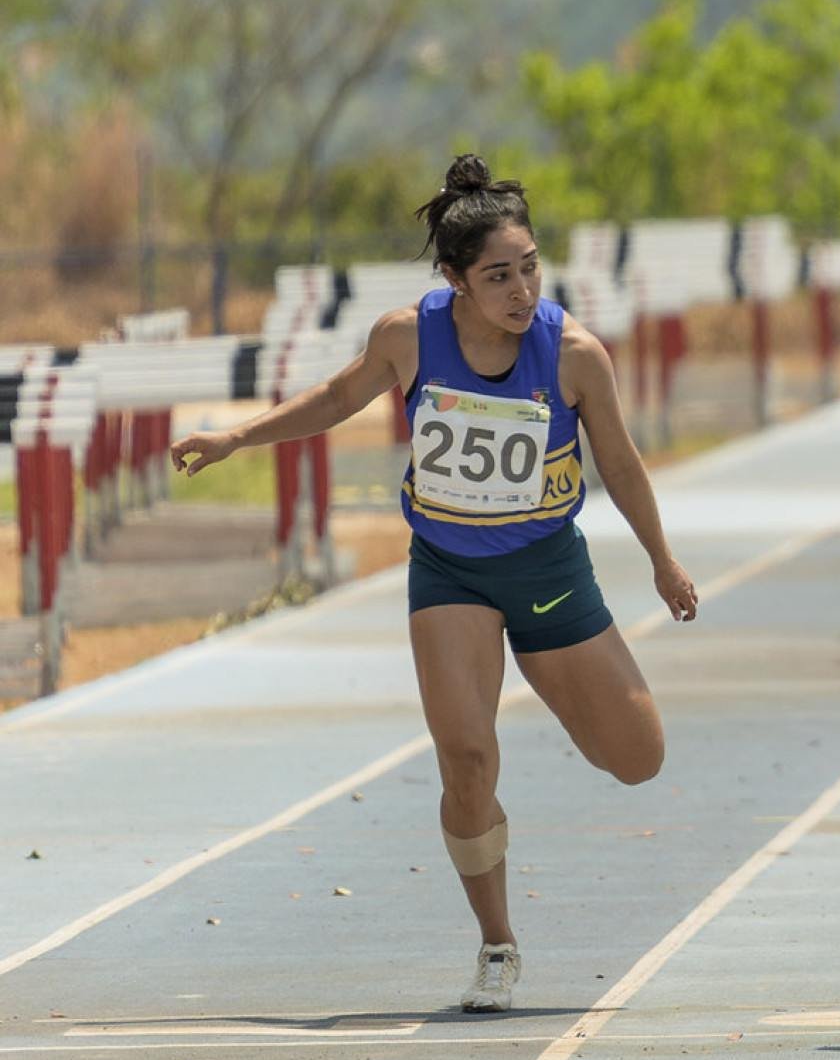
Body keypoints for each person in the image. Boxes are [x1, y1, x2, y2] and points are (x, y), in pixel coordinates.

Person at [172, 156, 695, 1013]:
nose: (520, 290)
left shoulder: (573, 355)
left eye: (530, 268)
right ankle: (496, 944)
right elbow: (334, 398)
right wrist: (238, 437)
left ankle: (563, 690)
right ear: (455, 279)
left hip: (547, 568)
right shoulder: (407, 338)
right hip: (450, 569)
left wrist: (661, 561)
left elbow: (623, 464)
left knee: (637, 760)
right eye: (498, 276)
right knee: (466, 760)